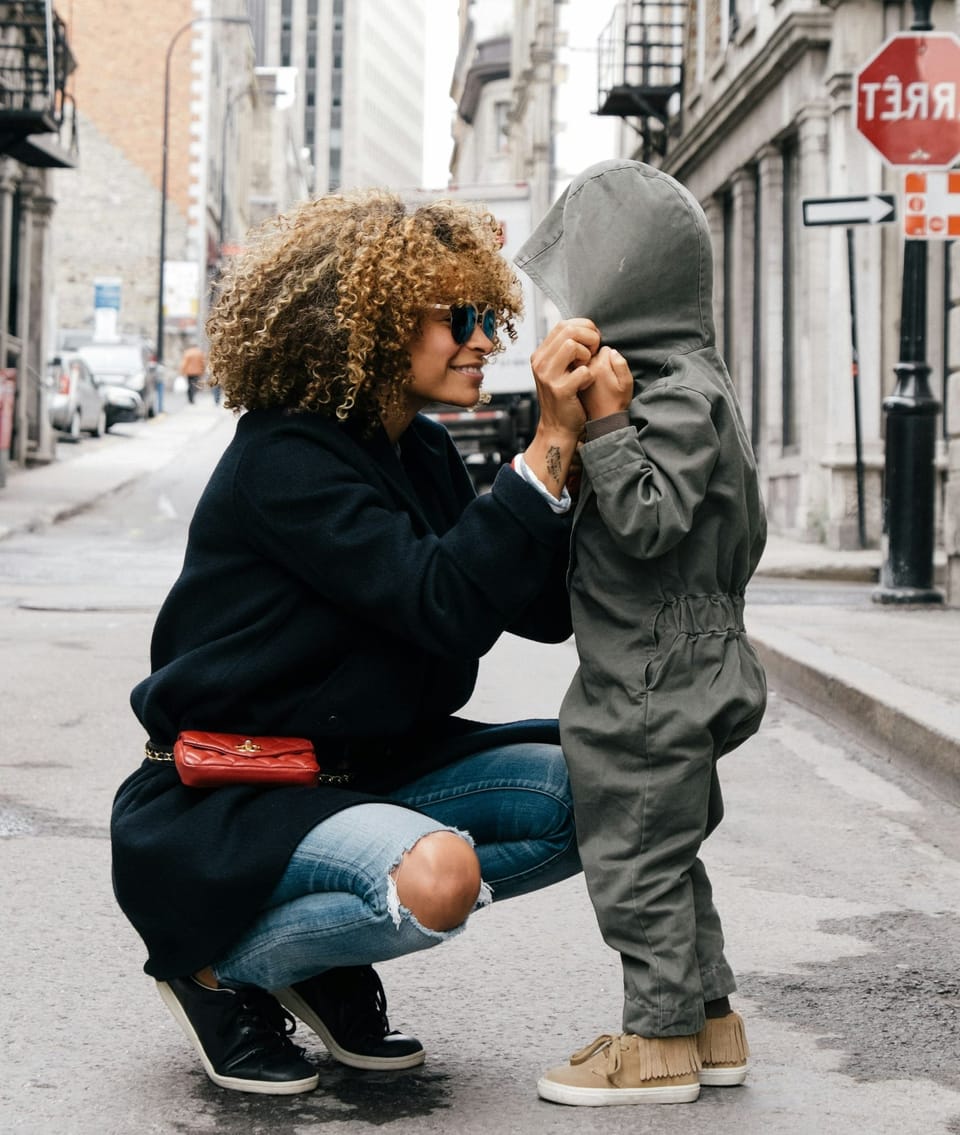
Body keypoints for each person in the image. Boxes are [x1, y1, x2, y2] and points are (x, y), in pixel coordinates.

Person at [111, 188, 600, 1096]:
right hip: (235, 796)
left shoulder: (419, 451)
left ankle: (316, 956)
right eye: (462, 318)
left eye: (492, 315)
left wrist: (585, 444)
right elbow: (442, 603)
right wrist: (542, 452)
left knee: (601, 793)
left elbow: (536, 608)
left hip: (370, 769)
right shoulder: (285, 461)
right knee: (438, 879)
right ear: (372, 321)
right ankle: (222, 967)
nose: (488, 340)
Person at [515, 159, 768, 1106]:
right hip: (687, 657)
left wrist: (607, 428)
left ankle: (655, 1043)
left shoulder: (664, 394)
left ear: (626, 283)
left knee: (631, 857)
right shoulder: (696, 381)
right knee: (670, 850)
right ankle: (709, 1020)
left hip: (650, 674)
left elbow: (652, 519)